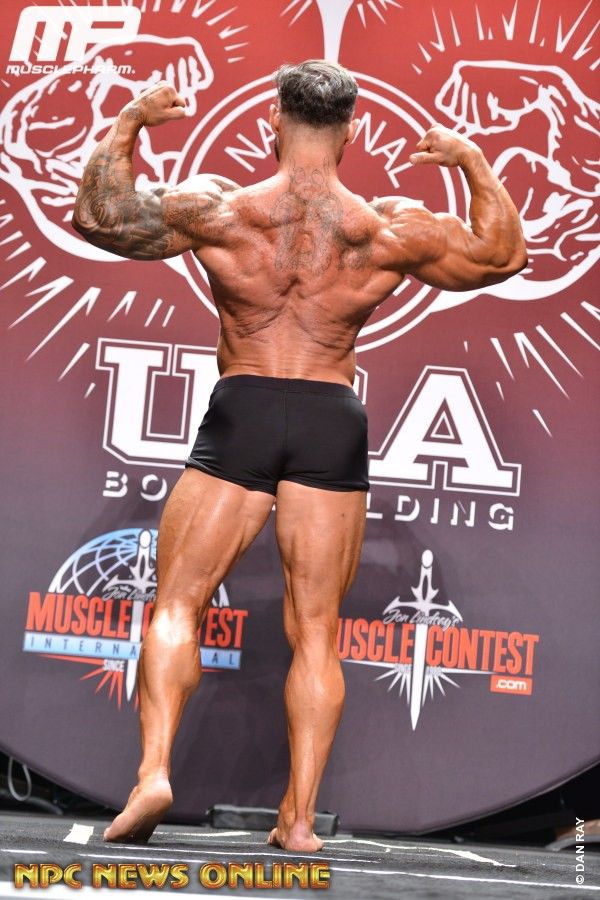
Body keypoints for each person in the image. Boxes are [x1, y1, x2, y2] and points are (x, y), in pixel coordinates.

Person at [72, 59, 526, 851]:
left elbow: (100, 218)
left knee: (177, 604)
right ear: (352, 133)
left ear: (272, 124)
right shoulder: (383, 228)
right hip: (328, 416)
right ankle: (300, 819)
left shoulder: (222, 208)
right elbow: (501, 256)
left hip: (244, 407)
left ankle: (153, 775)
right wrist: (471, 161)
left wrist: (131, 122)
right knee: (316, 631)